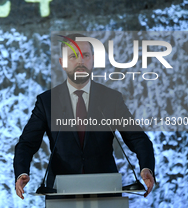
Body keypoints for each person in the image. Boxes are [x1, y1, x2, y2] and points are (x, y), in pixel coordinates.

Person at [14, 34, 155, 200]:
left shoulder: (111, 98)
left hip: (105, 192)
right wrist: (22, 172)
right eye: (73, 56)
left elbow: (137, 138)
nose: (80, 62)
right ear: (62, 63)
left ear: (93, 60)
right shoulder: (47, 102)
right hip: (62, 194)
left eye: (85, 55)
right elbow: (27, 143)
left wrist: (146, 168)